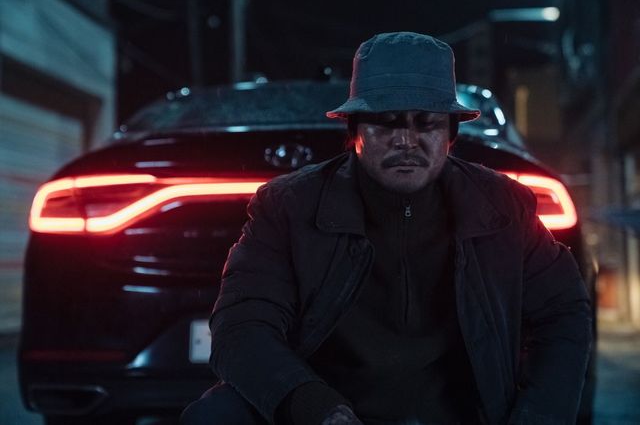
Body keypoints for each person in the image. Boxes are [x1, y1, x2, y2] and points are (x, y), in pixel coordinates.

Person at [181, 32, 592, 425]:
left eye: (426, 123)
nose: (406, 140)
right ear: (355, 132)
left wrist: (537, 417)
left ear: (451, 134)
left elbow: (564, 313)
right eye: (385, 123)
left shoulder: (501, 206)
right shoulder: (290, 207)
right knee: (216, 415)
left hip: (460, 416)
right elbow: (241, 325)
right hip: (332, 412)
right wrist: (316, 409)